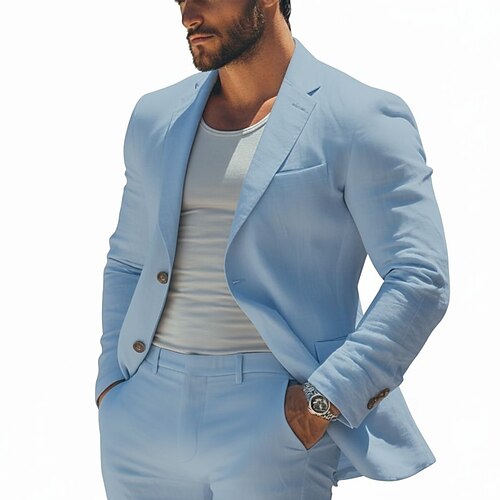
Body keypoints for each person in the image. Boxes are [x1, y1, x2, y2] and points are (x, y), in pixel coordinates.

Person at [95, 1, 450, 498]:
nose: (188, 14)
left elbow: (420, 277)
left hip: (272, 417)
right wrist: (112, 384)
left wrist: (323, 403)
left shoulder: (361, 117)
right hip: (142, 416)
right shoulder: (157, 116)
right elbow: (129, 261)